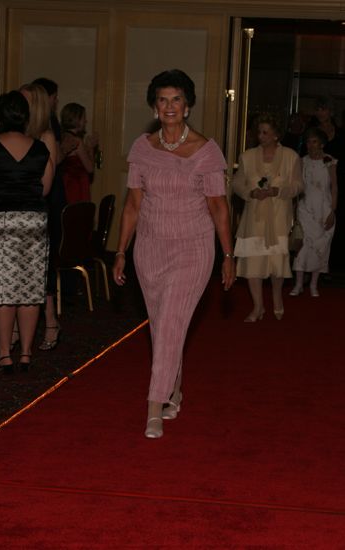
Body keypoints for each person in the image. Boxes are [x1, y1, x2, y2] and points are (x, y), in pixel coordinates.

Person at [112, 69, 236, 439]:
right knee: (165, 324)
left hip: (192, 248)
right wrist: (120, 251)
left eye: (176, 99)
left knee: (169, 323)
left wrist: (228, 255)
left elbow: (219, 208)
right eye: (163, 99)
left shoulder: (206, 151)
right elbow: (132, 205)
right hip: (149, 248)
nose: (169, 106)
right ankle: (175, 390)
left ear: (188, 106)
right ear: (154, 105)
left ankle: (153, 407)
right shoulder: (141, 148)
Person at [0, 91, 53, 373]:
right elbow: (45, 189)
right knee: (30, 289)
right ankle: (25, 354)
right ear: (26, 116)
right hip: (32, 221)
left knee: (1, 291)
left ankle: (4, 355)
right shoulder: (40, 148)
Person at [232, 112, 303, 321]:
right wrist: (250, 193)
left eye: (265, 132)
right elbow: (237, 183)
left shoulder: (291, 156)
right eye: (259, 132)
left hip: (280, 216)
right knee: (253, 261)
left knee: (276, 263)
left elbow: (299, 185)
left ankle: (276, 298)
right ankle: (258, 307)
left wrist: (278, 192)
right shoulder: (247, 156)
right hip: (254, 217)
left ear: (276, 135)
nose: (261, 136)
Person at [31, 78, 78, 351]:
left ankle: (50, 321)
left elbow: (52, 167)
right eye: (54, 97)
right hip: (31, 200)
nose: (56, 102)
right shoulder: (25, 130)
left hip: (49, 198)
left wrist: (67, 149)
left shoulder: (50, 128)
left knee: (46, 261)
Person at [290, 127, 337, 297]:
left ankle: (314, 285)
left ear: (322, 144)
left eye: (314, 141)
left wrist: (332, 211)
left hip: (323, 208)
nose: (310, 145)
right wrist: (295, 210)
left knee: (320, 247)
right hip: (305, 208)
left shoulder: (329, 161)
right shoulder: (302, 161)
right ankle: (298, 284)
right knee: (302, 247)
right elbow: (297, 187)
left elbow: (334, 187)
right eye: (308, 141)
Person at [308, 96, 345, 271]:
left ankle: (332, 265)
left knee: (336, 223)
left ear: (331, 112)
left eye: (323, 109)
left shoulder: (340, 133)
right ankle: (313, 265)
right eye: (318, 109)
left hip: (337, 182)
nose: (320, 112)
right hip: (316, 183)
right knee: (315, 223)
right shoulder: (311, 133)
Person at [60, 102, 98, 203]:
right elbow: (90, 168)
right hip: (77, 185)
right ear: (76, 120)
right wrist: (91, 148)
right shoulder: (77, 141)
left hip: (65, 184)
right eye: (83, 118)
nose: (86, 121)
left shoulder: (61, 137)